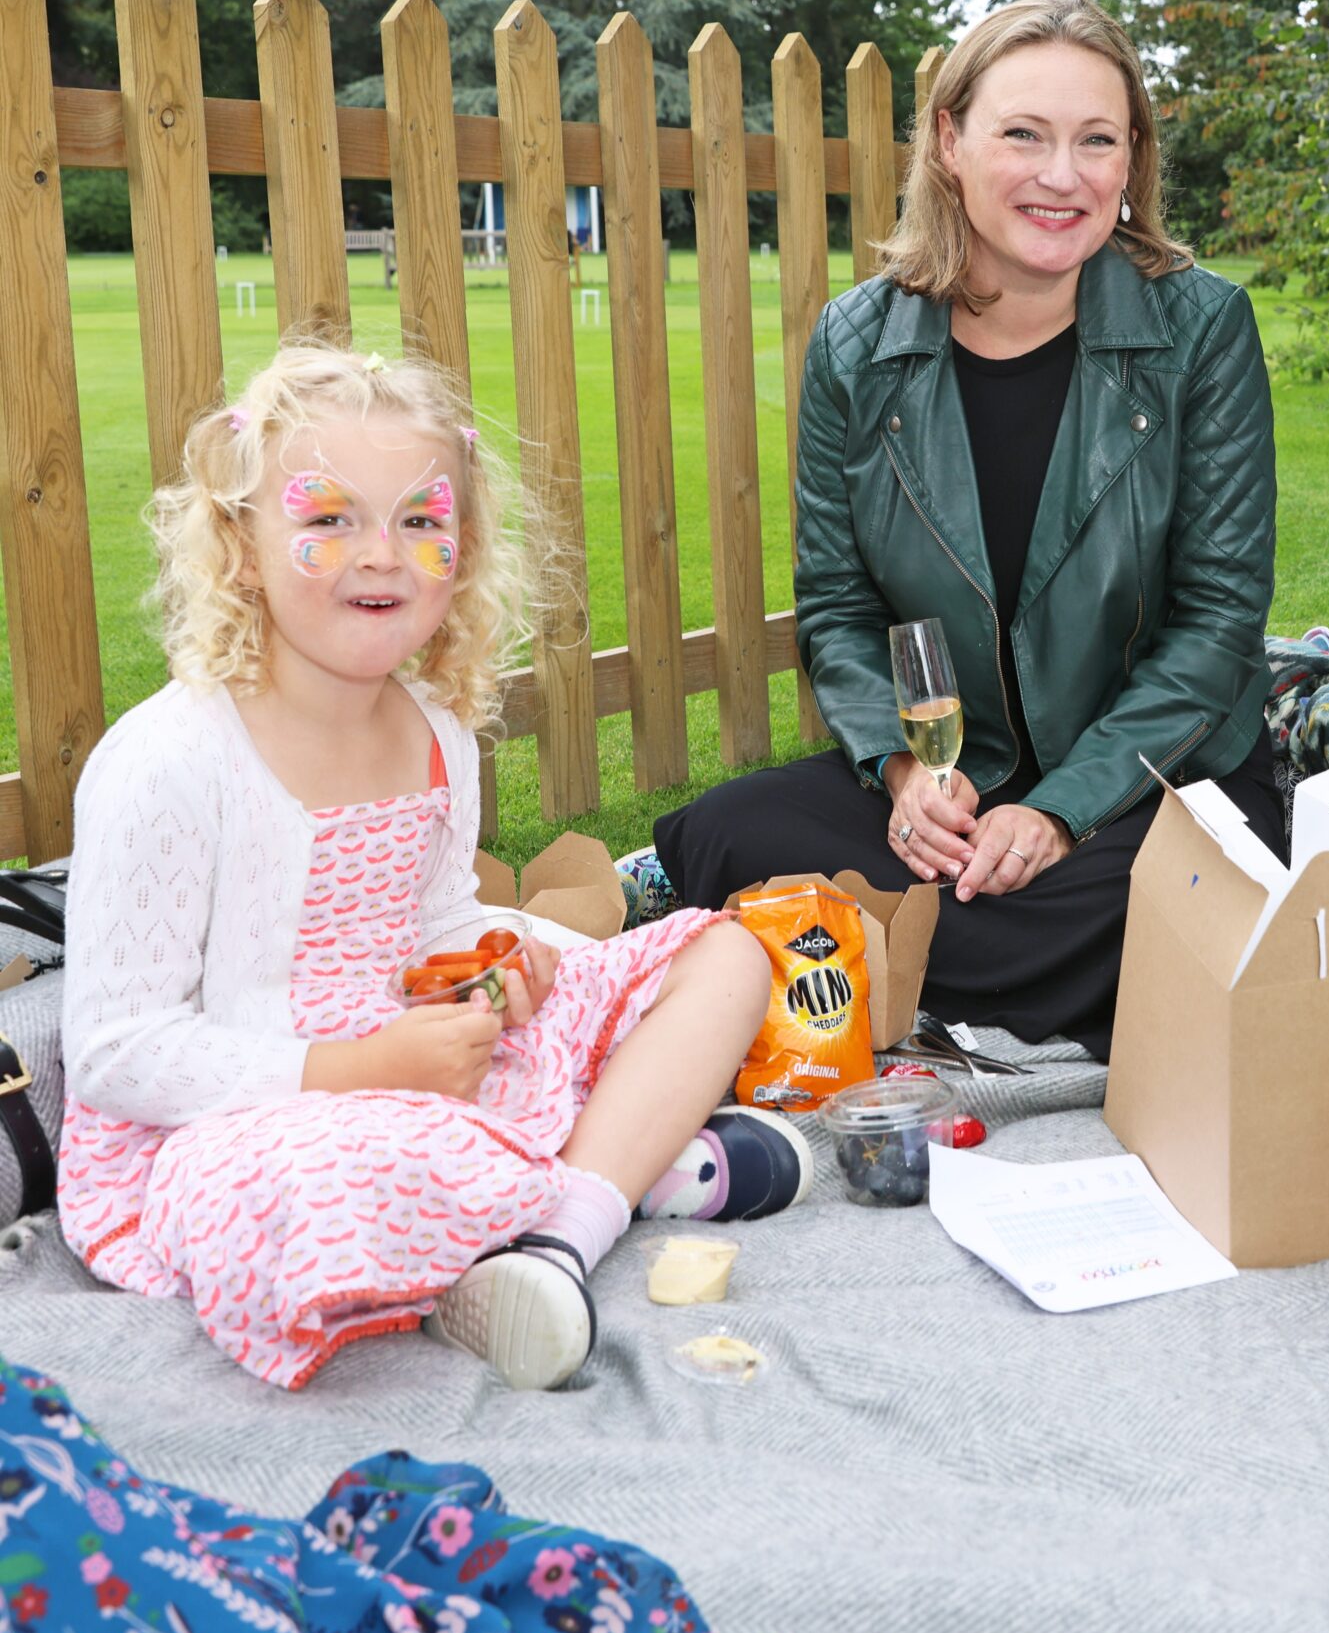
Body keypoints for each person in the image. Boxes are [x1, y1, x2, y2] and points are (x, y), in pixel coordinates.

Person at [59, 346, 807, 1394]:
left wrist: (506, 958)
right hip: (246, 1115)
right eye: (327, 518)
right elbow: (114, 1050)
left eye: (420, 519)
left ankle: (557, 1230)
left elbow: (440, 915)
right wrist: (362, 1070)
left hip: (428, 1060)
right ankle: (616, 1168)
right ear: (239, 544)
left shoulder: (434, 728)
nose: (383, 554)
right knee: (315, 1188)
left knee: (723, 951)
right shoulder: (172, 759)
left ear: (463, 545)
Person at [652, 0, 1282, 1058]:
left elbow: (1217, 623)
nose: (1062, 174)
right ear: (950, 140)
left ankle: (864, 958)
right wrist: (907, 779)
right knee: (723, 827)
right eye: (1022, 134)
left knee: (1176, 896)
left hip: (1151, 781)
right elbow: (842, 611)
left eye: (1098, 140)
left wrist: (1057, 812)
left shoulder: (1200, 327)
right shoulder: (860, 341)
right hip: (959, 782)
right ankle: (994, 979)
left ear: (1133, 159)